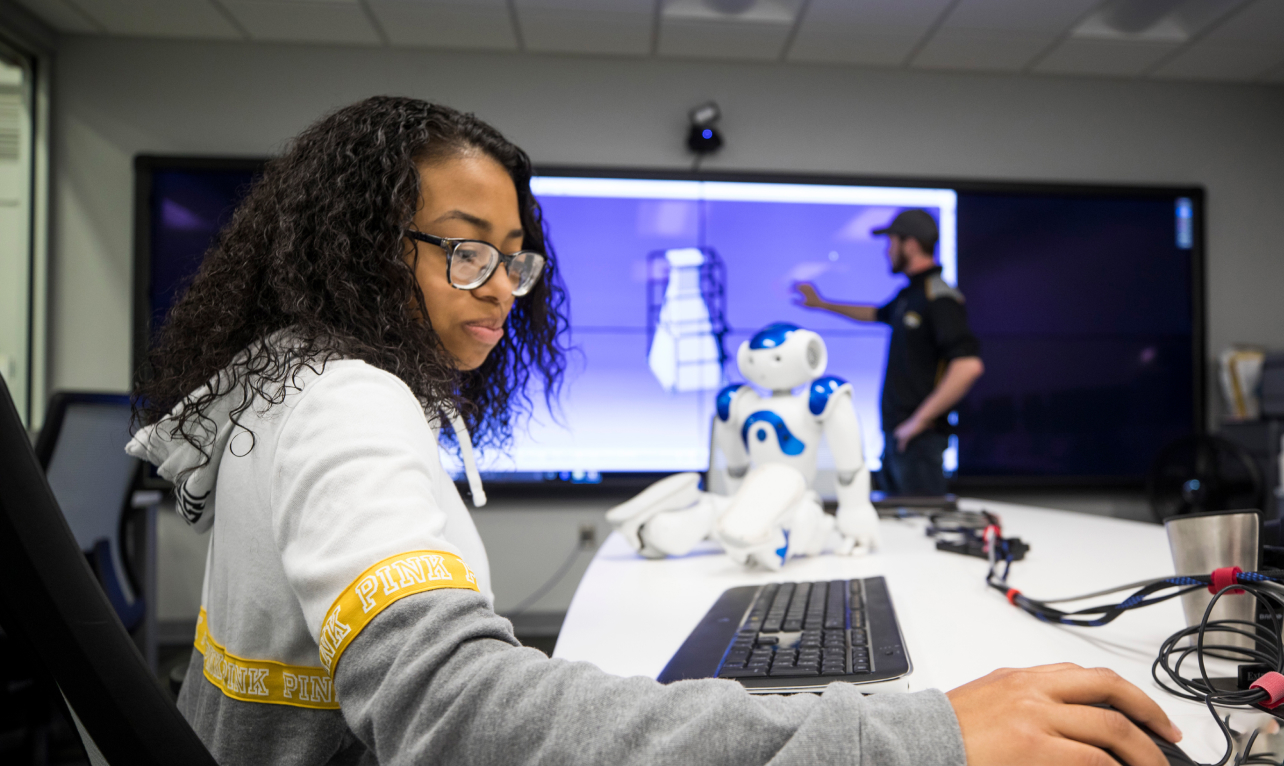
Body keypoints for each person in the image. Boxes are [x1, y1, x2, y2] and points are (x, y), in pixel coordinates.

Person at [128, 96, 1179, 766]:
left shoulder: (286, 384)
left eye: (514, 257)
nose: (500, 289)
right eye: (463, 251)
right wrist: (917, 735)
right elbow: (459, 716)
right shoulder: (349, 403)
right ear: (359, 245)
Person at [794, 208, 983, 497]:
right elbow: (874, 313)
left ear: (910, 244)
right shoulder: (910, 295)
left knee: (921, 527)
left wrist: (917, 423)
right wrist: (821, 303)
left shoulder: (939, 297)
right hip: (900, 437)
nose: (887, 251)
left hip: (920, 440)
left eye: (891, 242)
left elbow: (968, 366)